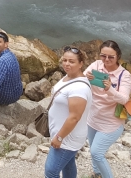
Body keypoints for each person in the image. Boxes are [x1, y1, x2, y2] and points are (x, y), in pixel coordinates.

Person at [84, 40, 131, 178]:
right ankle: (97, 174)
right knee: (93, 150)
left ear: (118, 56)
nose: (106, 60)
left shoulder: (125, 75)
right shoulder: (96, 65)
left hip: (111, 122)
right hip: (93, 117)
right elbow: (81, 79)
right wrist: (86, 78)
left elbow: (124, 99)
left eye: (111, 57)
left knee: (97, 153)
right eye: (103, 56)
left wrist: (109, 89)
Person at [45, 46, 93, 178]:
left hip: (67, 136)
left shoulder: (79, 88)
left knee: (51, 171)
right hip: (62, 132)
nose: (66, 64)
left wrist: (59, 137)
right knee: (68, 164)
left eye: (71, 61)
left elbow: (74, 117)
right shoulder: (68, 77)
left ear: (81, 64)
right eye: (64, 60)